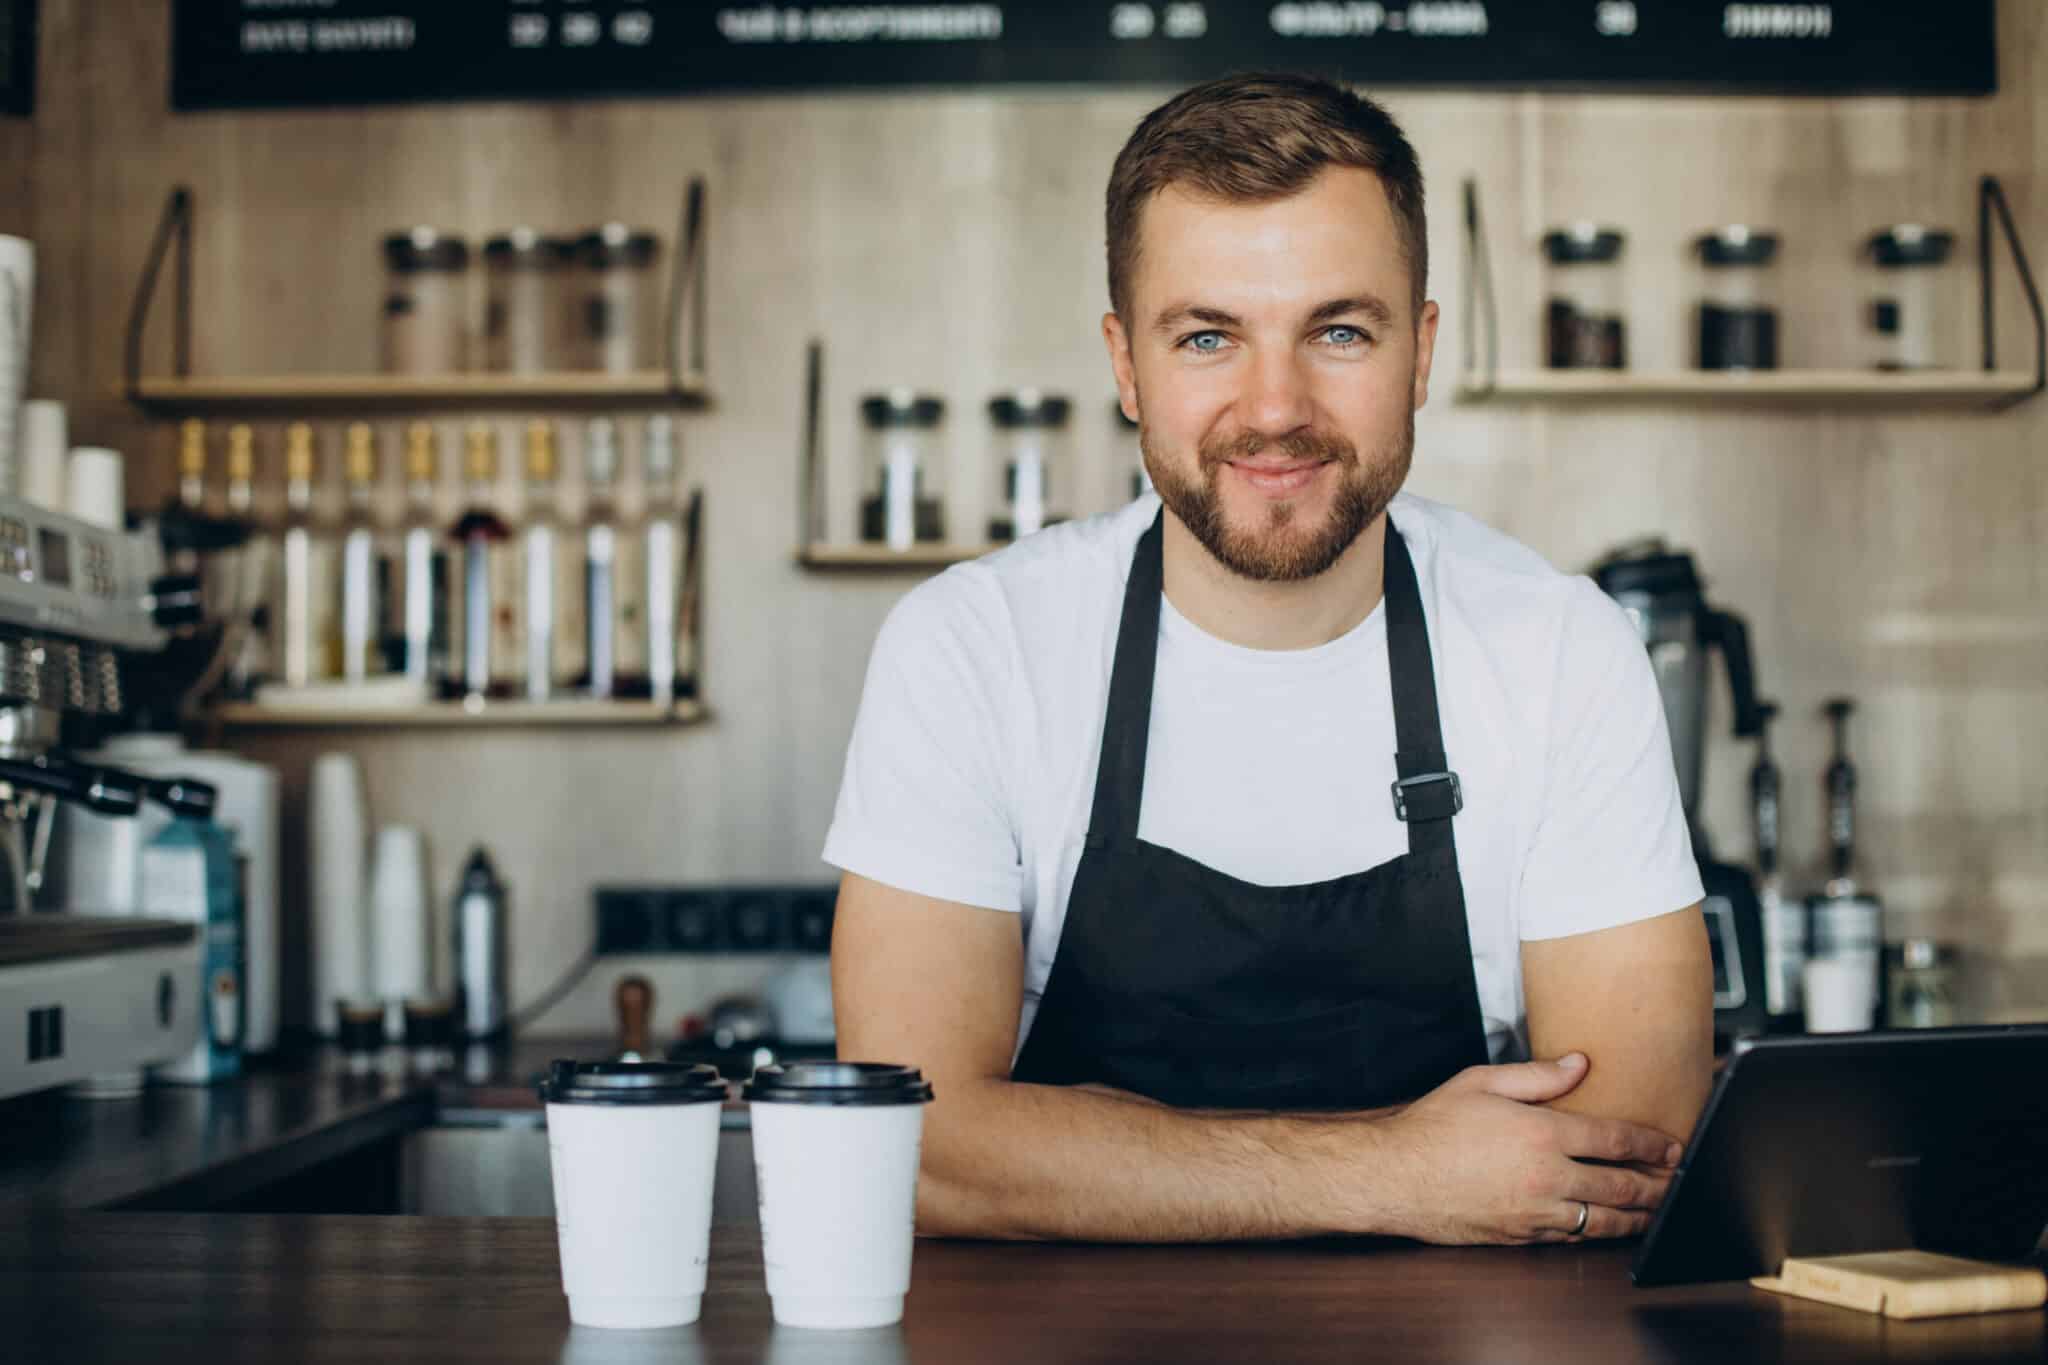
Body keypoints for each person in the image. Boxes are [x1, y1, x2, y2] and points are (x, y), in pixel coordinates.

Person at [825, 73, 1712, 1246]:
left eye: (1338, 331)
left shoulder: (1558, 650)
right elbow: (915, 1144)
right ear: (1124, 365)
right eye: (1207, 337)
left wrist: (1084, 1156)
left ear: (1421, 350)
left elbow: (1627, 1151)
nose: (1275, 406)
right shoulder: (975, 648)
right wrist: (1388, 1173)